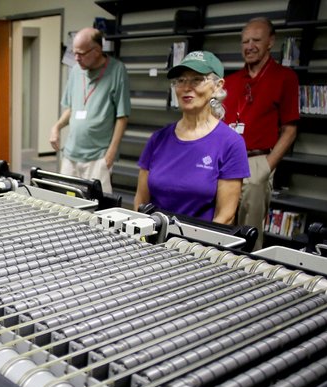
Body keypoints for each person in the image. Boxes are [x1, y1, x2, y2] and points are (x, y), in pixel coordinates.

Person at [134, 51, 250, 224]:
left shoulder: (231, 143)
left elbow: (225, 216)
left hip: (198, 244)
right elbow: (140, 202)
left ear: (218, 86)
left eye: (197, 79)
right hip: (153, 240)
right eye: (181, 80)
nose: (187, 87)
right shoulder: (158, 139)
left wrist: (195, 248)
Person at [223, 18, 299, 249]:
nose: (249, 45)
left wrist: (266, 167)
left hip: (257, 162)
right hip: (226, 161)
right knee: (222, 226)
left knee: (250, 233)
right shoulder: (230, 81)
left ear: (270, 42)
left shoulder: (284, 78)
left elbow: (290, 129)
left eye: (256, 40)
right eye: (245, 41)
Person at [49, 28, 130, 195]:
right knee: (66, 201)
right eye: (74, 52)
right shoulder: (76, 71)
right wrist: (56, 127)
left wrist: (110, 155)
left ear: (97, 50)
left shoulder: (117, 70)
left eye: (81, 53)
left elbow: (122, 116)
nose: (76, 58)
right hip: (71, 154)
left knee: (96, 207)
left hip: (98, 156)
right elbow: (71, 109)